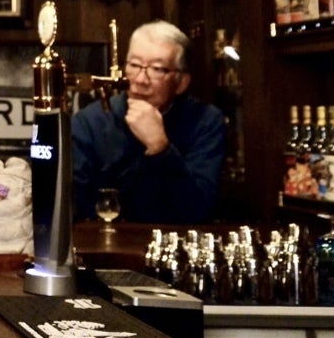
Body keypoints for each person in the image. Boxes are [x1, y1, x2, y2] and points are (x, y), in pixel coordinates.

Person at [72, 20, 226, 225]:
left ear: (181, 82)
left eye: (157, 69)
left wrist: (160, 148)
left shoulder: (205, 120)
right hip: (106, 240)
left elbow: (198, 209)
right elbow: (75, 207)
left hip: (175, 239)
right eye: (134, 65)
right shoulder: (90, 122)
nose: (140, 79)